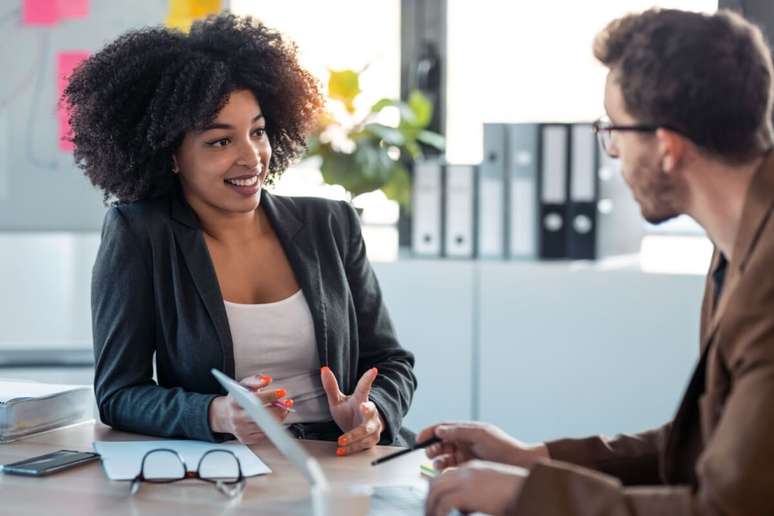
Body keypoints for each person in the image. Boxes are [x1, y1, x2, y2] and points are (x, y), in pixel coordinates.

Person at [420, 8, 774, 515]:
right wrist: (532, 460)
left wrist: (529, 496)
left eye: (616, 130)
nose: (613, 155)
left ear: (668, 148)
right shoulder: (738, 243)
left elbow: (727, 509)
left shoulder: (766, 281)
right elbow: (707, 443)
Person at [65, 13, 416, 455]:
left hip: (343, 459)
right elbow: (118, 395)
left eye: (258, 132)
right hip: (226, 466)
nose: (252, 158)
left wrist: (373, 413)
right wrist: (218, 413)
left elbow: (390, 362)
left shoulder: (331, 224)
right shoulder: (140, 234)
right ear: (171, 155)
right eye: (220, 141)